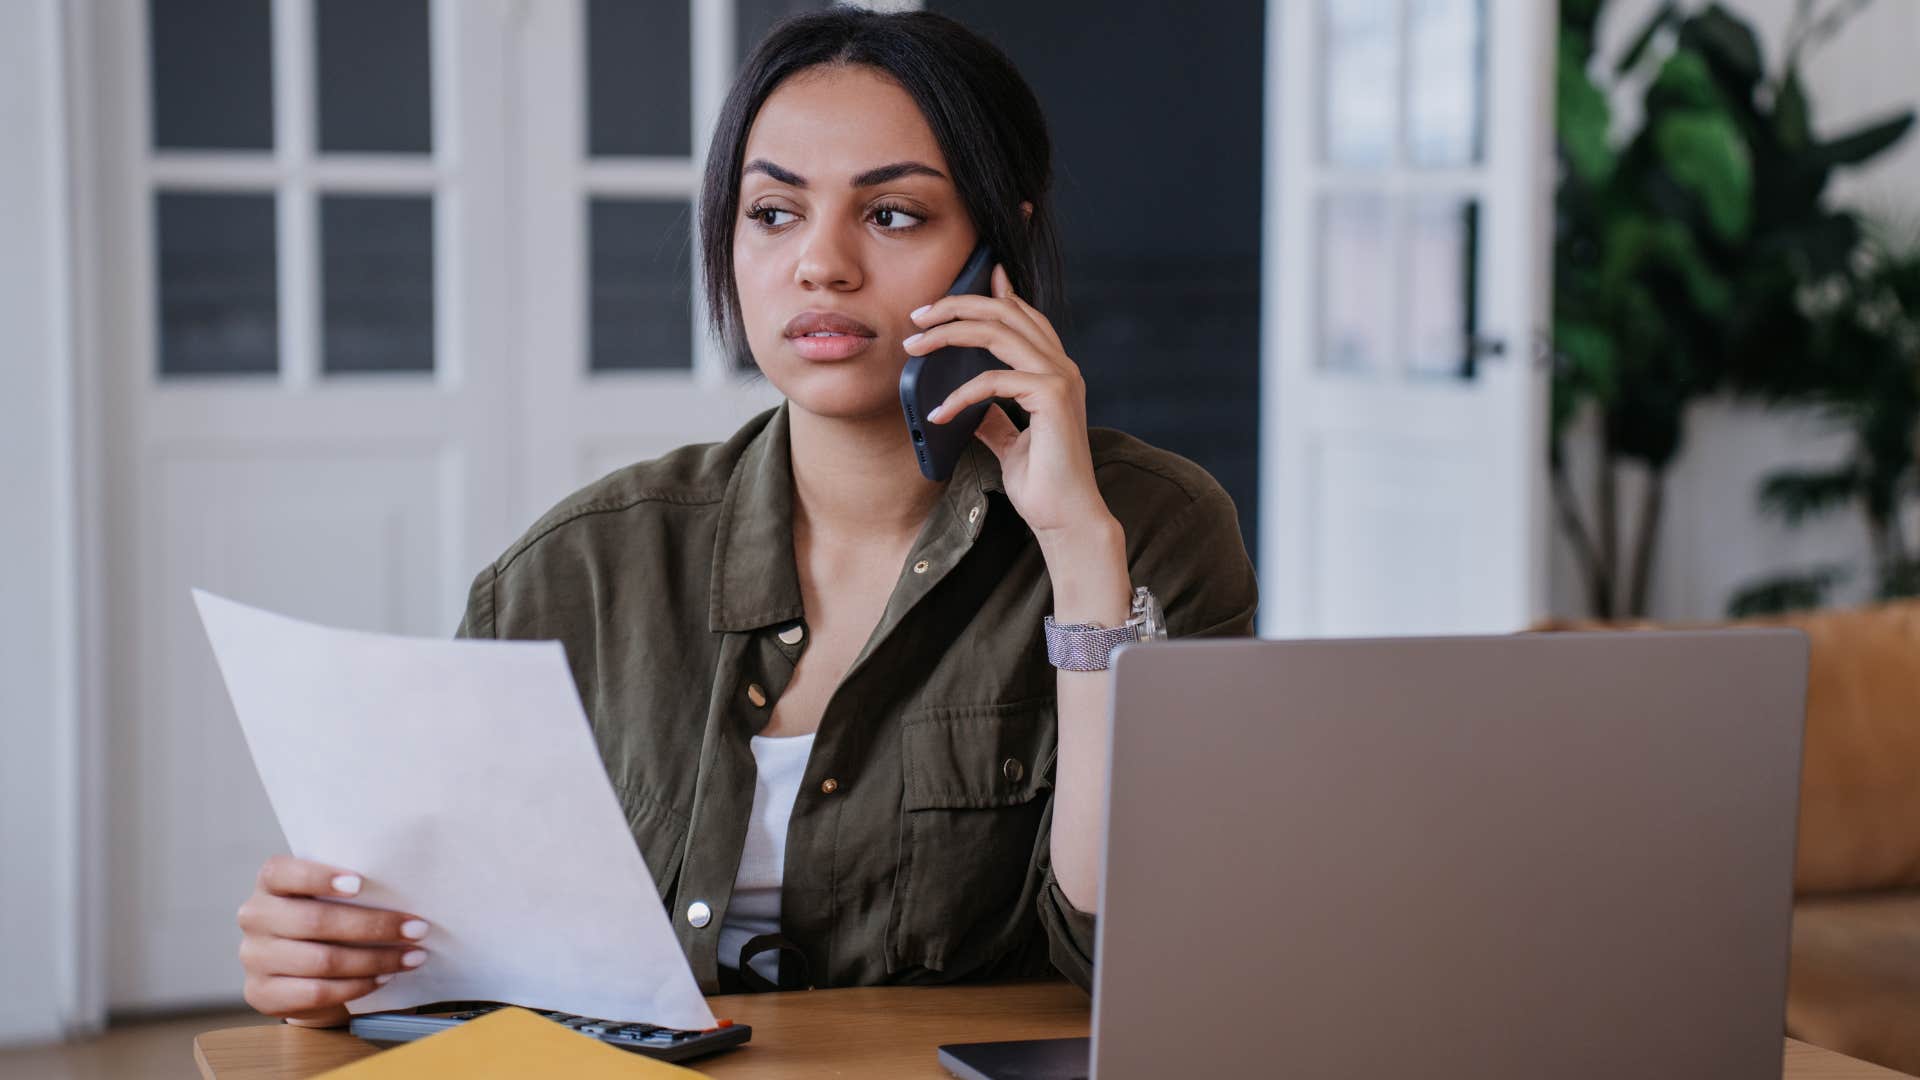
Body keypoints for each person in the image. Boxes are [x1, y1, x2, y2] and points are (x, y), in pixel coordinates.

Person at [234, 8, 1257, 1027]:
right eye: (773, 214)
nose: (821, 264)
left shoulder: (1148, 529)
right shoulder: (577, 569)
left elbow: (1128, 952)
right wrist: (327, 959)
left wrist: (1080, 553)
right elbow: (448, 969)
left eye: (892, 214)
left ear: (1000, 248)